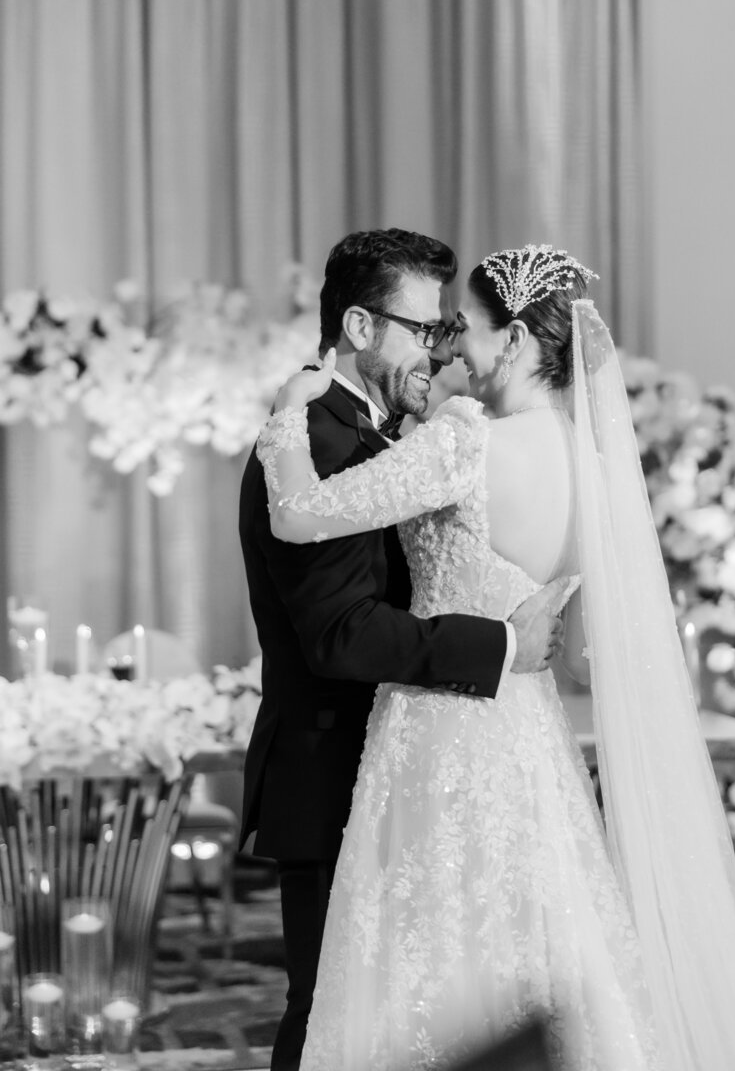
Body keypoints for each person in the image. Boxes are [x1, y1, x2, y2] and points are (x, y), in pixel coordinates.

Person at [258, 244, 735, 1071]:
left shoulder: (465, 440)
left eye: (464, 329)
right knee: (534, 953)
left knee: (430, 969)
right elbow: (574, 656)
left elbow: (297, 514)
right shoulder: (588, 461)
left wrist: (288, 410)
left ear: (511, 339)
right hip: (528, 738)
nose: (451, 349)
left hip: (435, 731)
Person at [238, 230, 568, 1071]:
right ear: (359, 326)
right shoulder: (313, 439)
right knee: (330, 1022)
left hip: (416, 768)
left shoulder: (395, 435)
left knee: (424, 1018)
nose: (440, 349)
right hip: (333, 770)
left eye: (447, 328)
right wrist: (499, 644)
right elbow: (340, 632)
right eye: (423, 329)